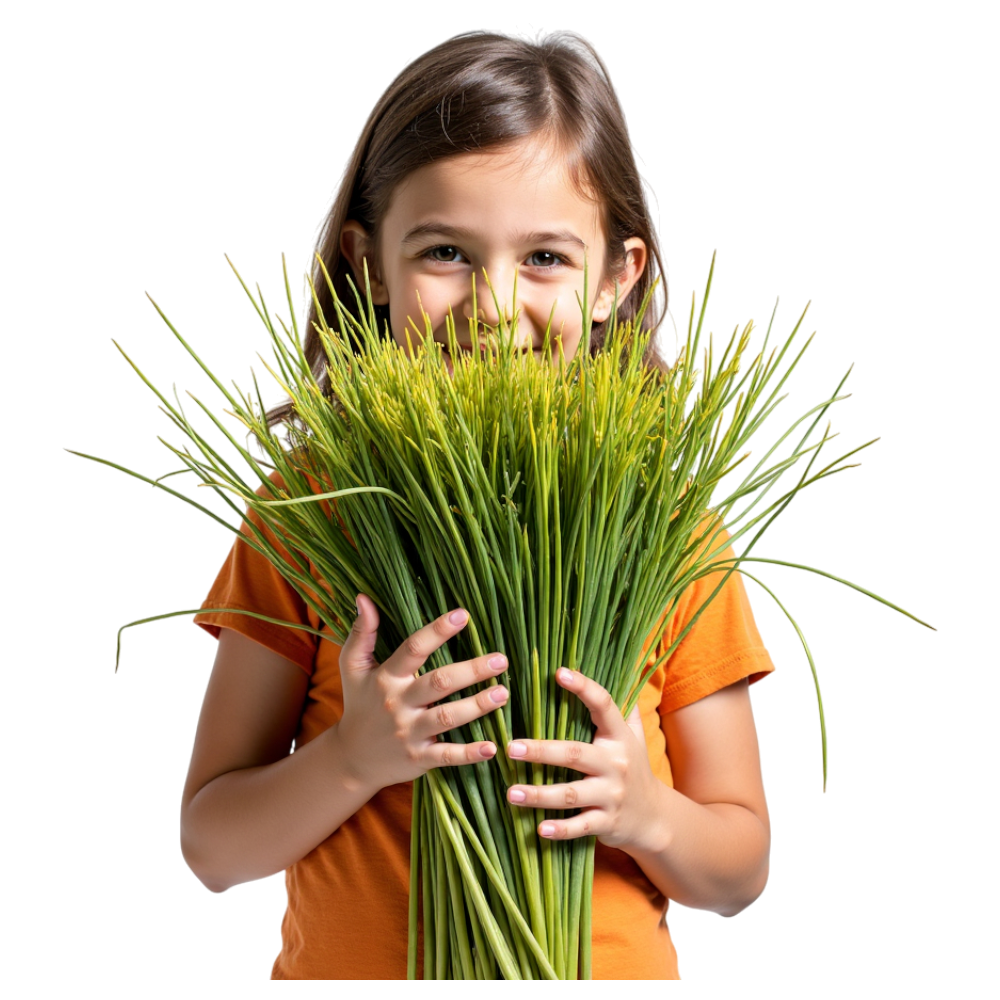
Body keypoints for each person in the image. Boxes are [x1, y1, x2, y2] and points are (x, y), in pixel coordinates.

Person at [182, 28, 775, 980]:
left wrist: (646, 813)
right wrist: (352, 758)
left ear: (617, 277)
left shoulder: (667, 523)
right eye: (447, 252)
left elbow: (738, 873)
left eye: (544, 257)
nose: (495, 305)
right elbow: (214, 850)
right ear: (371, 264)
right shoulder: (312, 509)